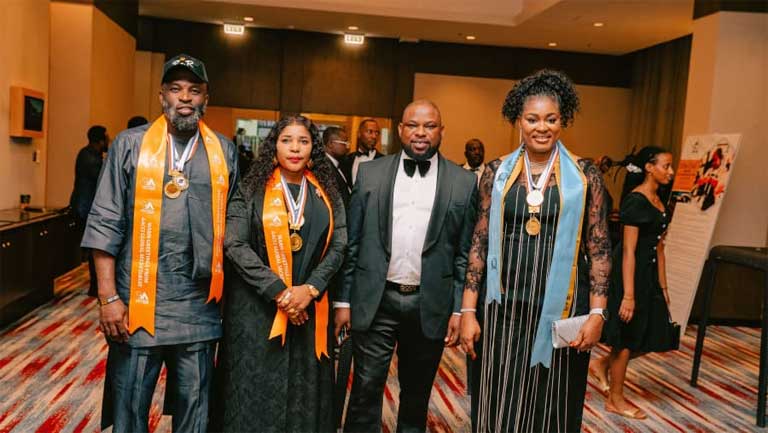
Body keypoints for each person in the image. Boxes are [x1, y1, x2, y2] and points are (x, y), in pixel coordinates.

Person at [81, 54, 238, 433]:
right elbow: (105, 221)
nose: (185, 97)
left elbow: (236, 228)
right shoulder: (129, 145)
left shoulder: (223, 150)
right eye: (175, 88)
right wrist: (108, 297)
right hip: (138, 303)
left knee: (195, 411)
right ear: (161, 96)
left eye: (194, 90)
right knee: (130, 406)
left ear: (205, 99)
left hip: (199, 307)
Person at [459, 69, 611, 432]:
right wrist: (467, 310)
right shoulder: (496, 172)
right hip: (502, 306)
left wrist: (597, 314)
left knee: (553, 399)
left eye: (551, 119)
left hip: (562, 306)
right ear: (518, 121)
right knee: (499, 394)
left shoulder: (585, 176)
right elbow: (479, 241)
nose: (542, 127)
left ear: (562, 121)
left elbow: (600, 248)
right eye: (532, 119)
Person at [336, 100, 478, 432]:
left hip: (430, 303)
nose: (421, 132)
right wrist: (343, 299)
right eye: (413, 125)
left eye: (430, 126)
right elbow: (353, 241)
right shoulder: (370, 173)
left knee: (416, 395)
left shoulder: (463, 182)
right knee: (365, 389)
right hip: (376, 299)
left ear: (441, 131)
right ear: (400, 130)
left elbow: (463, 252)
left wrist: (458, 309)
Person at [212, 116, 347, 432]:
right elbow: (234, 244)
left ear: (313, 148)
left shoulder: (328, 192)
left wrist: (309, 289)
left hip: (309, 310)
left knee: (304, 397)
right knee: (253, 395)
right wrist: (280, 292)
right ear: (274, 145)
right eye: (287, 140)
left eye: (303, 141)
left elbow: (340, 244)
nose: (295, 148)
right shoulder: (250, 189)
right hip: (256, 311)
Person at [588, 146, 675, 420]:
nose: (671, 172)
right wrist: (628, 295)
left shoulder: (660, 200)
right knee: (627, 338)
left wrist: (663, 287)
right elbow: (628, 250)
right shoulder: (635, 201)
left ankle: (603, 364)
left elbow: (660, 248)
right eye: (666, 166)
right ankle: (615, 399)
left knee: (656, 332)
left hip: (649, 275)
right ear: (649, 167)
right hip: (629, 274)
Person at [69, 125, 109, 297]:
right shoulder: (91, 158)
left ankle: (95, 285)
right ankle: (95, 286)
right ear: (100, 141)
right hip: (86, 208)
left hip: (85, 206)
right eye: (106, 139)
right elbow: (103, 180)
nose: (108, 142)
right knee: (95, 249)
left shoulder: (88, 154)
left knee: (93, 249)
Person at [340, 118, 383, 185]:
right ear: (359, 134)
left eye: (377, 133)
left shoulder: (384, 161)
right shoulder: (347, 160)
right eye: (369, 132)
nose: (374, 136)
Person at [323, 126, 351, 206]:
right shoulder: (324, 168)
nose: (347, 147)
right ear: (330, 144)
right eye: (344, 143)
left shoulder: (341, 164)